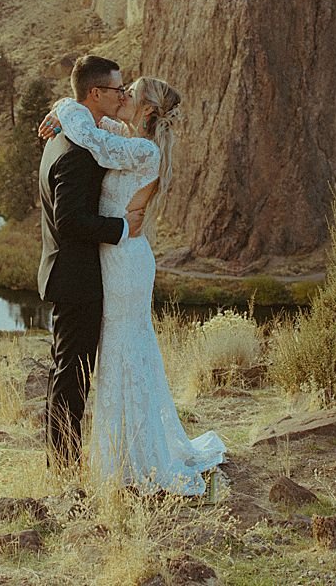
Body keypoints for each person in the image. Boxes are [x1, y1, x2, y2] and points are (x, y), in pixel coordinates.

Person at [42, 76, 226, 495]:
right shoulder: (119, 135)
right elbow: (88, 125)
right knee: (116, 352)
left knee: (124, 351)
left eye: (131, 93)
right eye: (119, 90)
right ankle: (120, 451)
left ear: (145, 109)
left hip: (125, 259)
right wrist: (61, 110)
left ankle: (133, 459)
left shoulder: (142, 150)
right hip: (113, 253)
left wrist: (63, 110)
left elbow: (88, 134)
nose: (122, 96)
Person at [37, 55, 144, 470]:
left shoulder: (70, 134)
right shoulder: (78, 149)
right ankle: (63, 463)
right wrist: (120, 228)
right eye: (117, 89)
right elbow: (69, 221)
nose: (122, 94)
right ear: (95, 93)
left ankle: (61, 458)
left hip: (69, 274)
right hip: (76, 277)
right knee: (72, 374)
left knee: (66, 368)